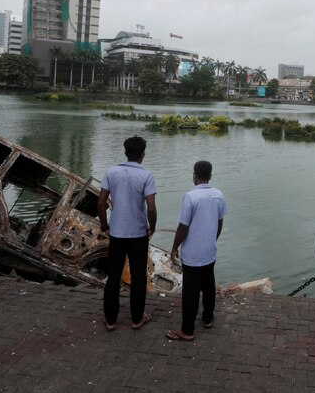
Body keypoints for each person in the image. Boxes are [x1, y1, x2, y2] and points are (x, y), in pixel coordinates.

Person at [97, 135, 157, 331]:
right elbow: (151, 208)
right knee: (139, 276)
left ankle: (111, 320)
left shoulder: (111, 172)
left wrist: (104, 225)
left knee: (113, 276)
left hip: (117, 233)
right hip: (138, 234)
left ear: (125, 153)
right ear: (143, 155)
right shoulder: (146, 176)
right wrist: (152, 226)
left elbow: (101, 202)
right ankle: (137, 319)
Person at [166, 160, 227, 342]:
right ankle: (208, 319)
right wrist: (212, 240)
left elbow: (183, 226)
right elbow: (220, 222)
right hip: (210, 250)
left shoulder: (191, 196)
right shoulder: (218, 195)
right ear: (210, 176)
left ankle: (187, 330)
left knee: (191, 291)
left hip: (193, 253)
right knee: (209, 285)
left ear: (194, 175)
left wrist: (174, 247)